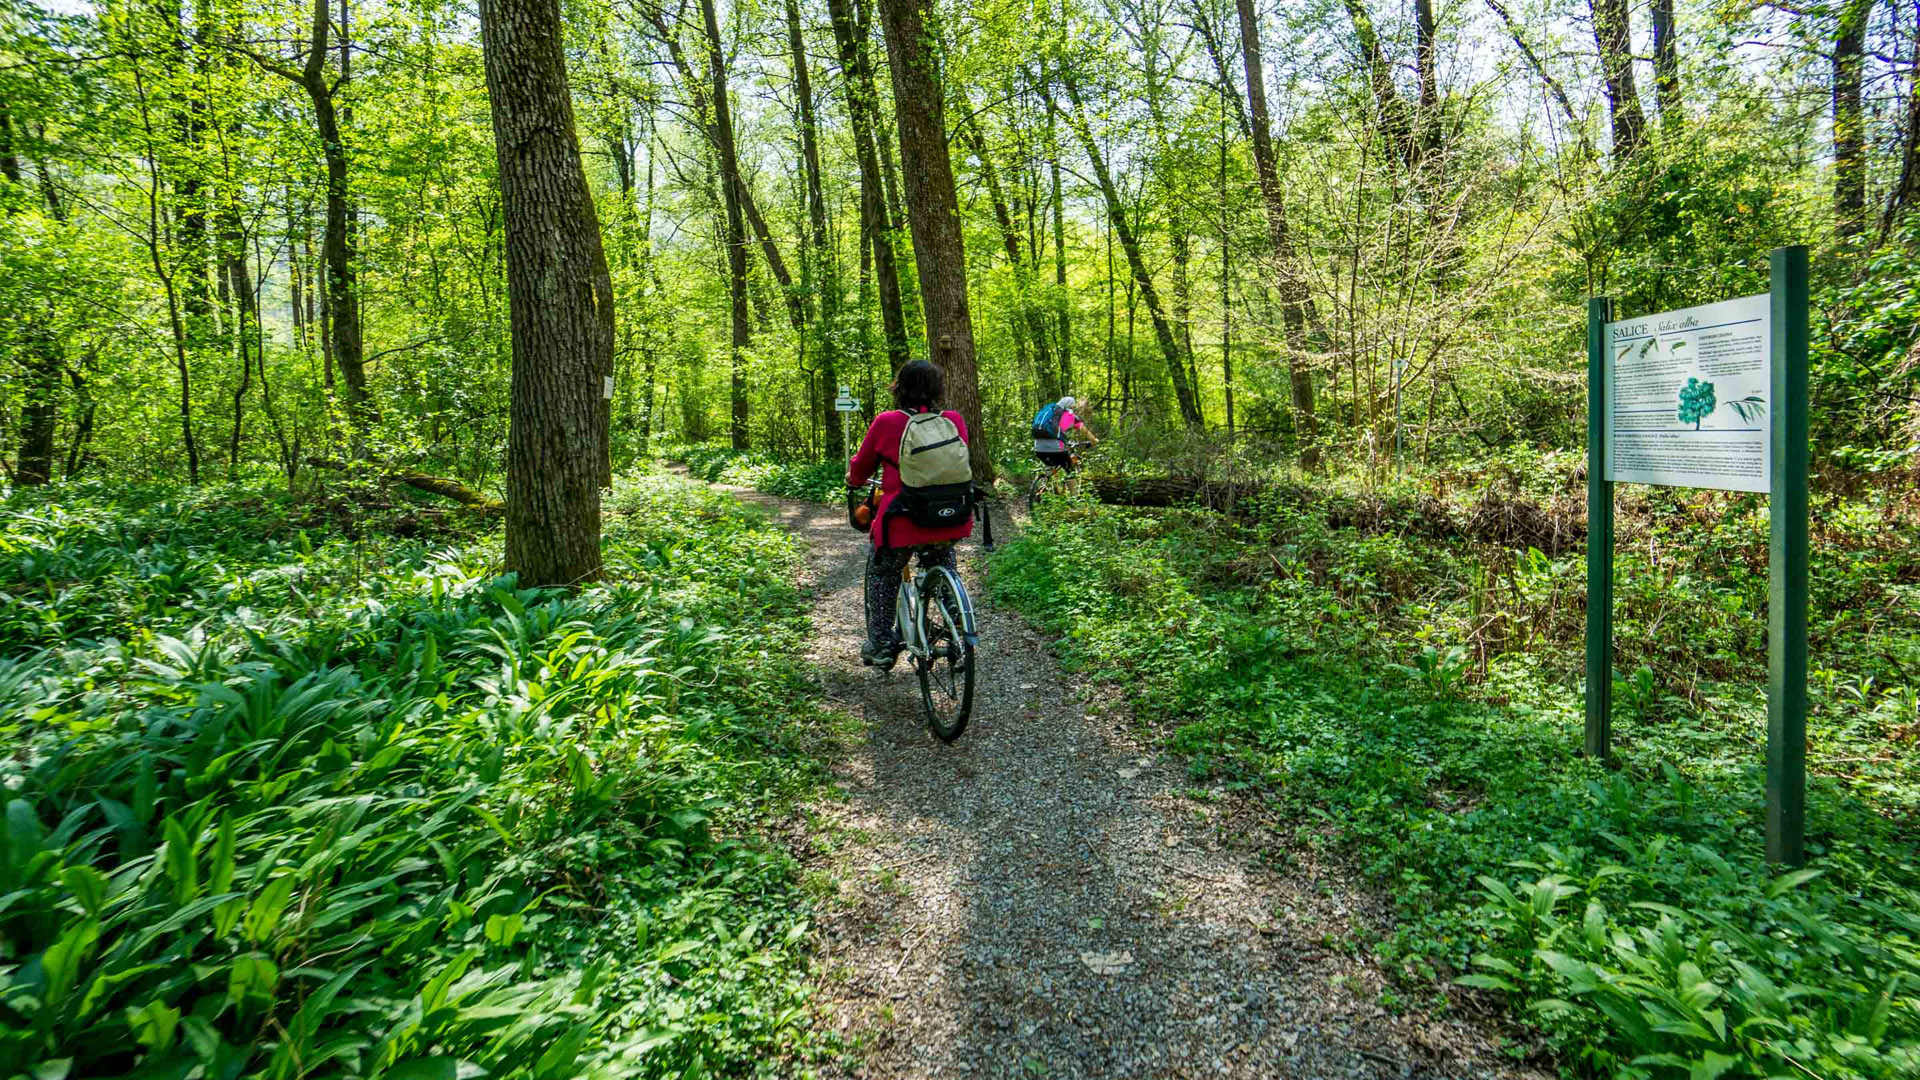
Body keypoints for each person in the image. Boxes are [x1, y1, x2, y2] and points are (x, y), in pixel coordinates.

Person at [847, 359, 975, 665]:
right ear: (936, 390)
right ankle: (957, 622)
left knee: (883, 572)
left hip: (902, 521)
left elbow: (861, 468)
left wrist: (853, 481)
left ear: (899, 388)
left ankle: (880, 644)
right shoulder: (953, 420)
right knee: (942, 560)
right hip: (951, 517)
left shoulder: (887, 422)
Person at [1032, 395, 1097, 491]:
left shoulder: (1049, 411)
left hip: (1038, 447)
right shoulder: (1069, 416)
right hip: (1056, 448)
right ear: (1070, 406)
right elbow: (1085, 431)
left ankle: (1046, 487)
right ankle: (1074, 500)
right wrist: (1094, 441)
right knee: (1070, 470)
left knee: (1051, 467)